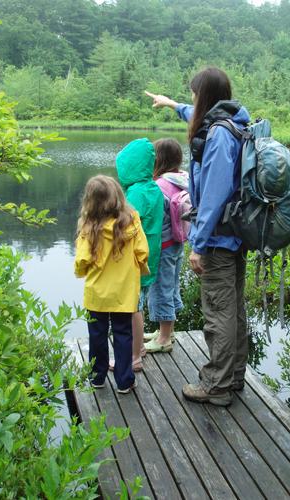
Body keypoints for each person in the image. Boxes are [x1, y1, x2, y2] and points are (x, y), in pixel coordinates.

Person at [145, 66, 250, 407]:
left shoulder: (218, 135)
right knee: (233, 309)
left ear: (204, 96)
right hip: (235, 235)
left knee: (218, 312)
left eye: (193, 94)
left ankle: (216, 386)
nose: (191, 100)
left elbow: (215, 195)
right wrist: (170, 104)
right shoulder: (232, 122)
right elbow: (192, 114)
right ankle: (233, 378)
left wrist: (199, 245)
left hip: (218, 238)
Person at [74, 175, 149, 394]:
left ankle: (97, 377)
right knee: (123, 335)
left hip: (97, 293)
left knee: (97, 335)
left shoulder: (89, 227)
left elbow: (82, 261)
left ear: (90, 201)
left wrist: (82, 271)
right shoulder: (133, 221)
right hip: (124, 292)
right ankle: (124, 381)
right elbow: (142, 253)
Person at [116, 138, 164, 371]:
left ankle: (133, 357)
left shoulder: (136, 193)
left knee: (131, 308)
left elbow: (123, 228)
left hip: (135, 260)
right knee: (138, 304)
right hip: (148, 258)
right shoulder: (153, 188)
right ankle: (140, 349)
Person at [143, 138, 188, 353]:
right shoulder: (182, 178)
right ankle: (167, 331)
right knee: (171, 286)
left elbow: (156, 219)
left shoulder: (160, 185)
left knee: (161, 289)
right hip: (178, 244)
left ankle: (163, 340)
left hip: (163, 246)